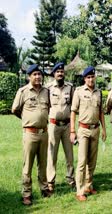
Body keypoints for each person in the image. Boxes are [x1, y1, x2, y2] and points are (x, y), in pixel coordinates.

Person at [12, 64, 53, 206]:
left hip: (44, 133)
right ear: (29, 76)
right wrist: (26, 119)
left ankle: (44, 188)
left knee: (43, 164)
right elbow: (15, 109)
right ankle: (27, 193)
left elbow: (49, 108)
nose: (37, 77)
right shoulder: (23, 91)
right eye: (34, 74)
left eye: (39, 74)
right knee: (27, 165)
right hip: (30, 134)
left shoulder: (46, 91)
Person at [70, 66, 106, 201]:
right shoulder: (78, 92)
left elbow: (101, 112)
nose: (91, 79)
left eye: (92, 77)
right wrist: (72, 131)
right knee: (82, 161)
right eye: (88, 77)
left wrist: (104, 129)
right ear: (84, 79)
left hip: (95, 129)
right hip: (83, 130)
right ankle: (80, 190)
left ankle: (88, 185)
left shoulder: (99, 92)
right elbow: (73, 111)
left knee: (92, 161)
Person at [46, 62, 75, 192]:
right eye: (58, 72)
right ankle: (50, 181)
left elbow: (74, 107)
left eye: (62, 72)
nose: (60, 74)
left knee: (69, 154)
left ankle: (70, 178)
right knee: (52, 154)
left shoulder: (70, 87)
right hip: (53, 125)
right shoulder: (48, 88)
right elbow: (45, 106)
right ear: (54, 74)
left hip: (67, 125)